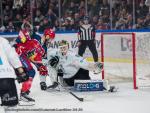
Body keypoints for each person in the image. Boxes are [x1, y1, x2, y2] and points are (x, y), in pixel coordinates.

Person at [14, 30, 47, 102]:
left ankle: (24, 91)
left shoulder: (33, 42)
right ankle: (23, 92)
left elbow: (42, 53)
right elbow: (42, 52)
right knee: (31, 72)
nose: (20, 38)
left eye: (22, 36)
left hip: (25, 60)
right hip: (21, 59)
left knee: (31, 73)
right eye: (20, 36)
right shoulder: (21, 45)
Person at [0, 37, 28, 113]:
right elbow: (12, 56)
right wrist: (21, 71)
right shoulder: (2, 40)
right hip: (5, 75)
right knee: (10, 108)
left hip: (4, 76)